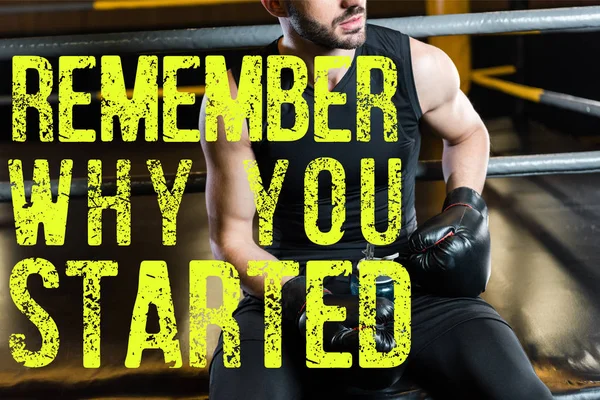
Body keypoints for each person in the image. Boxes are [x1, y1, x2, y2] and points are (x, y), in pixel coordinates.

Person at [199, 0, 554, 399]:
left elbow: (468, 132)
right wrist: (301, 297)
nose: (353, 0)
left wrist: (465, 203)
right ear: (275, 3)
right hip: (285, 297)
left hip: (410, 289)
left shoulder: (417, 66)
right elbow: (231, 239)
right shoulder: (235, 96)